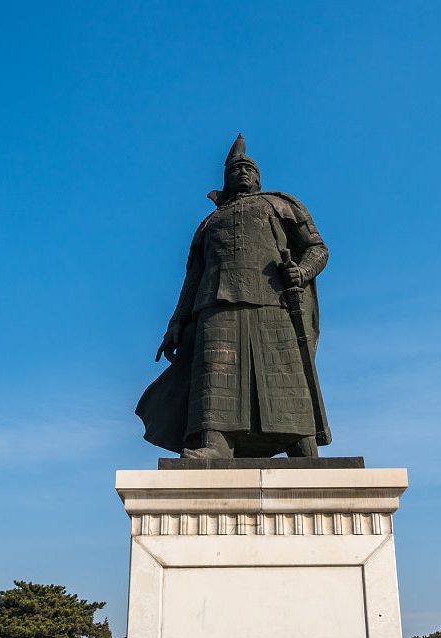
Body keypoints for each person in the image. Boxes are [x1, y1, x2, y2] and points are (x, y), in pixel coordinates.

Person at [136, 133, 331, 459]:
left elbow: (317, 248)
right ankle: (215, 444)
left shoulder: (280, 204)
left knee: (283, 371)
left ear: (258, 178)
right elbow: (193, 277)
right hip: (215, 303)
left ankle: (302, 445)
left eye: (249, 168)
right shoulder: (210, 221)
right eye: (235, 169)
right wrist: (175, 323)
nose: (242, 172)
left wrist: (302, 271)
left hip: (273, 301)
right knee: (216, 373)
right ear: (225, 181)